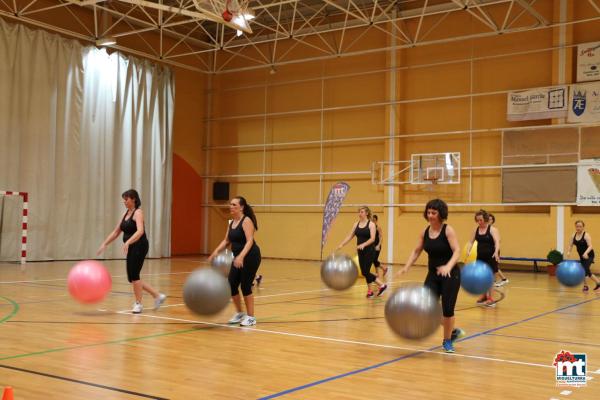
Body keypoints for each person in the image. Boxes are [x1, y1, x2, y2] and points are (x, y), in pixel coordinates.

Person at [398, 199, 465, 353]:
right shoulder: (425, 231)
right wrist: (406, 267)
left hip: (451, 275)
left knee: (447, 310)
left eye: (434, 213)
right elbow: (416, 251)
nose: (430, 215)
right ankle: (453, 331)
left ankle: (447, 340)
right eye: (428, 212)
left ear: (440, 214)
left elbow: (457, 251)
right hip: (433, 275)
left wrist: (448, 266)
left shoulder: (448, 230)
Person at [97, 189, 166, 314]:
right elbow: (116, 232)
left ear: (133, 199)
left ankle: (138, 304)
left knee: (134, 276)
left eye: (126, 199)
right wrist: (105, 243)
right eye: (124, 199)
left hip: (140, 245)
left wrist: (128, 242)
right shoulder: (126, 214)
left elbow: (140, 231)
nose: (124, 201)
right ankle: (158, 296)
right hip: (132, 247)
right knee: (133, 278)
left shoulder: (138, 212)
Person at [209, 196, 261, 326]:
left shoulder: (246, 220)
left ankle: (251, 317)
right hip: (238, 257)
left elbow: (250, 241)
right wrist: (216, 251)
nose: (231, 207)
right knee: (231, 285)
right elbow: (226, 240)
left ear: (241, 207)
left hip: (250, 256)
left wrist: (241, 256)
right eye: (230, 204)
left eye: (234, 205)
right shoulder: (231, 222)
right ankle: (240, 313)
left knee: (245, 286)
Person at [337, 206, 387, 298]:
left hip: (370, 251)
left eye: (362, 212)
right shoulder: (356, 224)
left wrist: (364, 244)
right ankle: (370, 291)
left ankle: (382, 285)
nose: (360, 213)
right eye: (359, 212)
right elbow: (350, 235)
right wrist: (342, 244)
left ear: (366, 213)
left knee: (365, 272)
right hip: (360, 251)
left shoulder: (371, 224)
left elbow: (372, 238)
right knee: (365, 271)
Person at [466, 210, 500, 307]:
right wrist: (468, 250)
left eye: (481, 220)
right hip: (480, 257)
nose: (479, 222)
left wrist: (496, 252)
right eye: (477, 220)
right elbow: (470, 242)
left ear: (485, 219)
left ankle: (490, 298)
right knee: (481, 278)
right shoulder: (475, 230)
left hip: (491, 257)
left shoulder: (493, 230)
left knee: (490, 278)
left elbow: (497, 242)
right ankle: (483, 295)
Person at [566, 220, 600, 292]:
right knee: (585, 271)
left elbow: (590, 246)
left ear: (583, 227)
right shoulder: (573, 235)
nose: (578, 228)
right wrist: (569, 251)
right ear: (575, 227)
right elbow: (570, 245)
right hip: (582, 256)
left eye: (580, 226)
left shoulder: (586, 235)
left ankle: (589, 285)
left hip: (589, 255)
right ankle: (594, 284)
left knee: (584, 270)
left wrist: (586, 253)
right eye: (577, 226)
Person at [488, 213, 509, 287]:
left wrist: (496, 251)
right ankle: (493, 281)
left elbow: (498, 240)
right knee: (492, 267)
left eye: (490, 219)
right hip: (489, 250)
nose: (488, 220)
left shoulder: (494, 229)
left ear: (492, 221)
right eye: (487, 218)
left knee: (494, 267)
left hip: (494, 250)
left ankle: (504, 279)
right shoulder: (484, 229)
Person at [372, 215, 388, 280]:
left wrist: (378, 245)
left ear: (376, 220)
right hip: (372, 246)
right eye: (372, 220)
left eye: (374, 220)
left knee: (374, 259)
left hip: (377, 246)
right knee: (374, 260)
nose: (373, 221)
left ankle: (377, 273)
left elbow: (381, 237)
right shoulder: (370, 228)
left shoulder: (378, 228)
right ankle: (384, 269)